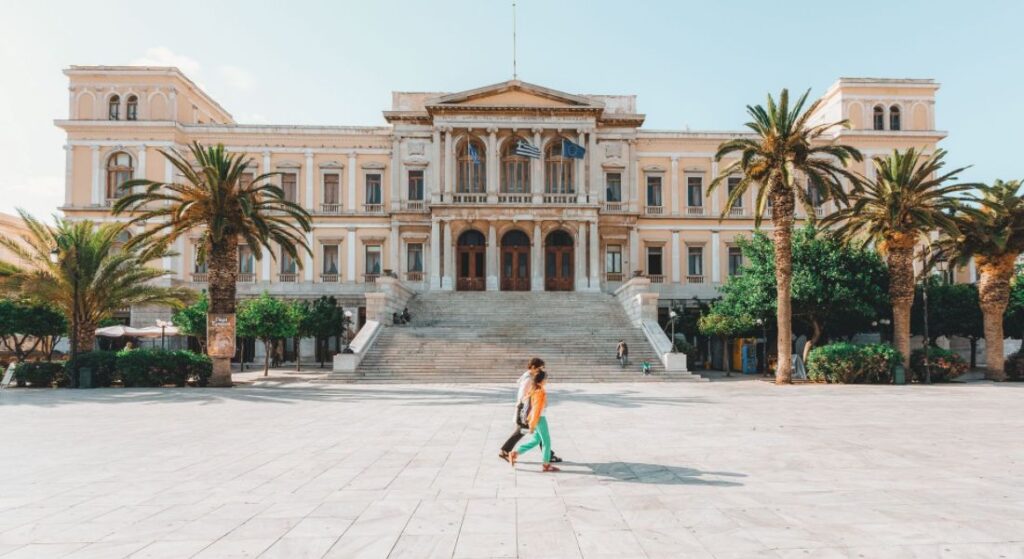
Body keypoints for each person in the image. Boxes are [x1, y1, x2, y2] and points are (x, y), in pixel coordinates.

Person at [498, 358, 561, 464]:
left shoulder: (531, 377)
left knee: (534, 434)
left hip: (530, 410)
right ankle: (506, 450)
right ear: (533, 367)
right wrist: (528, 409)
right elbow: (523, 395)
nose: (541, 370)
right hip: (528, 410)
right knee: (529, 432)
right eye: (540, 368)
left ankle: (508, 451)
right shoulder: (528, 379)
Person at [509, 369, 559, 472]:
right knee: (546, 441)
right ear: (542, 380)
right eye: (546, 378)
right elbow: (536, 409)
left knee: (536, 440)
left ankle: (515, 453)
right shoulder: (539, 391)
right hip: (539, 419)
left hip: (536, 419)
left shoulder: (534, 389)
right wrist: (532, 424)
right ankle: (546, 464)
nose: (547, 380)